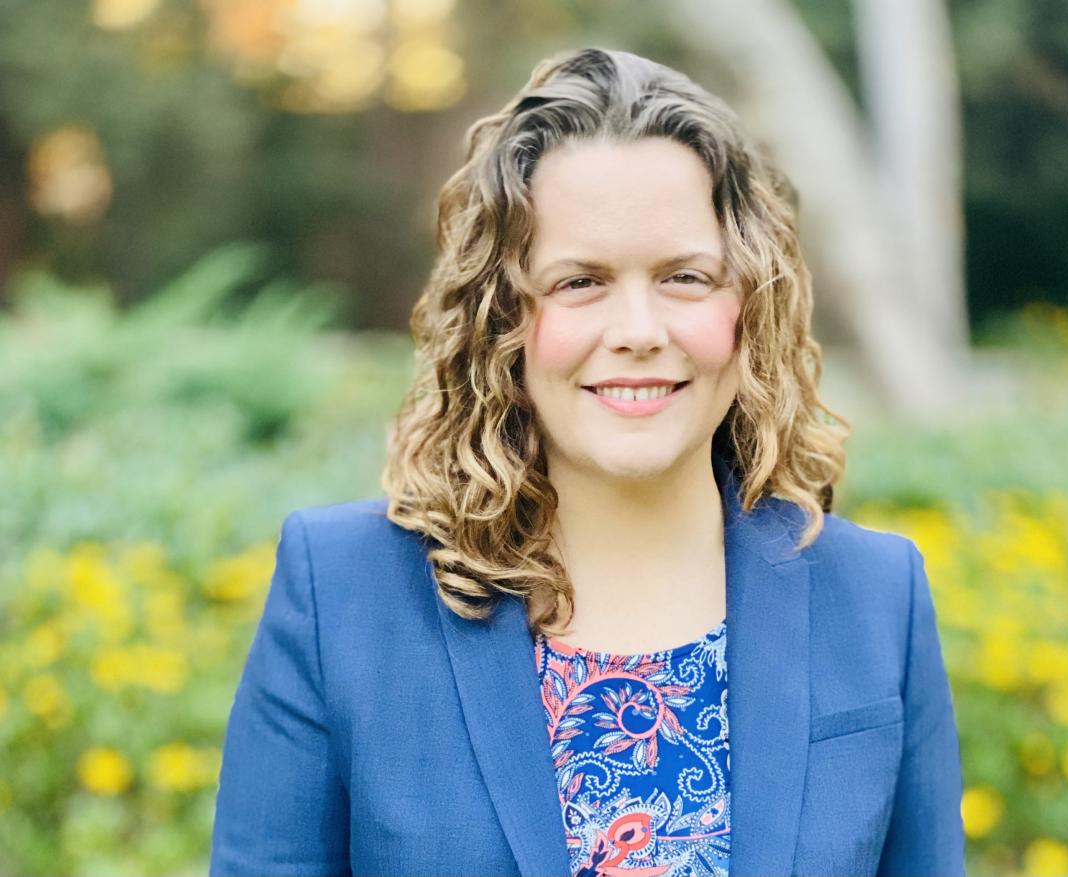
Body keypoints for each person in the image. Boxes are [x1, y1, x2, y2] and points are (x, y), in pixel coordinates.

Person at [209, 47, 965, 877]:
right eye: (580, 281)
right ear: (502, 314)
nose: (639, 329)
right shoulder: (342, 596)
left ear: (749, 300)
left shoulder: (877, 600)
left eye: (684, 275)